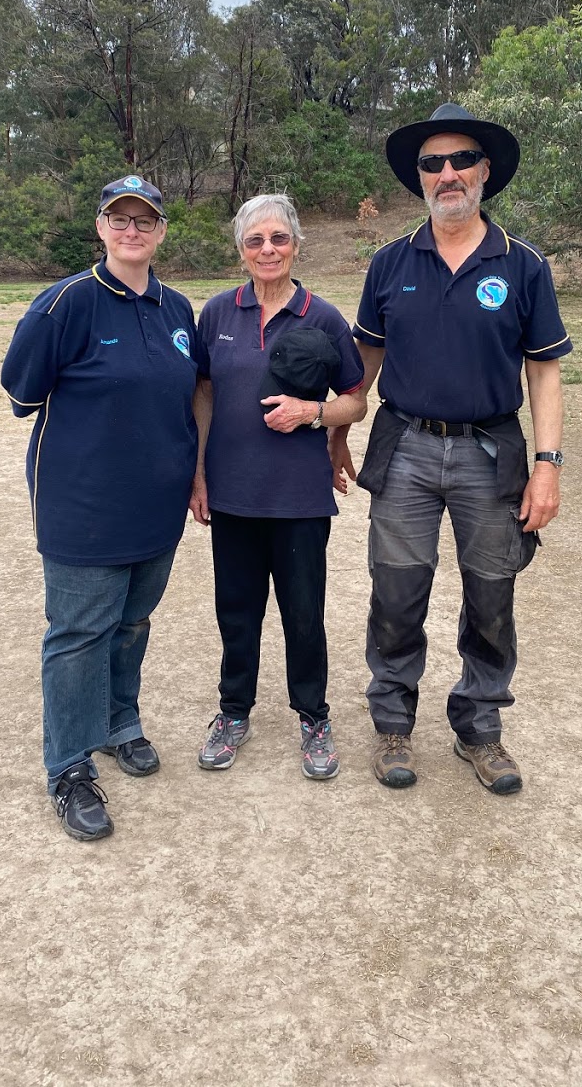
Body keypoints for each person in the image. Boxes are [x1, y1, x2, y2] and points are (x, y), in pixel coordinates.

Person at [329, 104, 572, 795]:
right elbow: (362, 363)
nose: (448, 173)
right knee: (397, 591)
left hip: (490, 452)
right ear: (419, 178)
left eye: (461, 159)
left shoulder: (522, 266)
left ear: (486, 170)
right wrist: (340, 433)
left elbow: (544, 370)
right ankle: (393, 724)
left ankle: (480, 727)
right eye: (433, 163)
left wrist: (548, 467)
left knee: (492, 594)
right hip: (404, 446)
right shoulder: (389, 263)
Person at [1, 176, 198, 841]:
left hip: (157, 505)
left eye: (146, 220)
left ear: (162, 230)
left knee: (133, 621)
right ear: (101, 226)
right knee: (79, 632)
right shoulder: (67, 302)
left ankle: (120, 723)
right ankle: (69, 766)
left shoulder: (177, 309)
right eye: (121, 218)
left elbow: (187, 396)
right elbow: (21, 392)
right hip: (82, 505)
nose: (132, 230)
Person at [189, 193, 367, 780]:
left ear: (295, 244)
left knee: (302, 614)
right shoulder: (216, 314)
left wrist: (312, 413)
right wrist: (199, 474)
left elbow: (355, 402)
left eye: (279, 239)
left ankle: (313, 718)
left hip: (299, 499)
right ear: (240, 249)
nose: (268, 250)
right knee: (236, 613)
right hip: (233, 495)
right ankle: (233, 713)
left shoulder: (325, 318)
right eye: (255, 240)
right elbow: (205, 394)